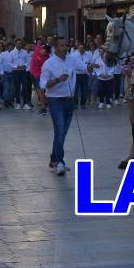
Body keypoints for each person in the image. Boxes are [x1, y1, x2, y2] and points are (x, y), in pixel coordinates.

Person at [40, 37, 79, 176]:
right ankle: (60, 163)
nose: (65, 48)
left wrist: (90, 67)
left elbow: (83, 68)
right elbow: (42, 84)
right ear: (55, 48)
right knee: (60, 130)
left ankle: (53, 159)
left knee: (62, 133)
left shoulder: (72, 60)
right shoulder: (48, 64)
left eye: (66, 45)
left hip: (70, 101)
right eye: (62, 45)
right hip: (55, 101)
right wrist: (57, 80)